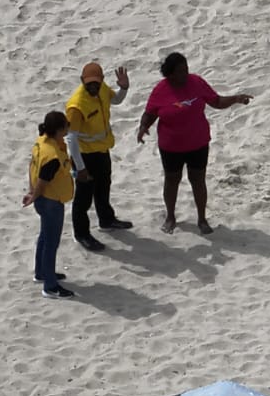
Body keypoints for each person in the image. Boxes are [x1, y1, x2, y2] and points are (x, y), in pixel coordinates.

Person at [135, 52, 252, 235]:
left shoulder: (196, 82)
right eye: (180, 71)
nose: (185, 74)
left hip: (198, 142)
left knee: (198, 180)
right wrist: (143, 127)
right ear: (170, 74)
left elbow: (216, 101)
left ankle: (202, 219)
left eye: (186, 69)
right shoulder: (161, 89)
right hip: (171, 146)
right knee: (172, 180)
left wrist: (235, 98)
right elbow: (150, 113)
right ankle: (170, 217)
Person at [67, 61, 134, 253]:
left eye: (96, 83)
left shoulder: (103, 89)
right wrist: (80, 167)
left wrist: (124, 88)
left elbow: (116, 100)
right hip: (84, 155)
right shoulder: (77, 105)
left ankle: (106, 219)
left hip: (102, 150)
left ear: (102, 80)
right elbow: (71, 139)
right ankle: (82, 234)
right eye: (89, 84)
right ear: (82, 81)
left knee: (103, 187)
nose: (93, 87)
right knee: (83, 198)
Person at [22, 110, 76, 299]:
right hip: (51, 201)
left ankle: (42, 272)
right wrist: (34, 195)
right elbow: (43, 180)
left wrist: (31, 192)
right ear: (60, 129)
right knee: (51, 243)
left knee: (45, 237)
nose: (68, 128)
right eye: (66, 125)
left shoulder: (41, 142)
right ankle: (50, 286)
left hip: (45, 200)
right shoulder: (52, 155)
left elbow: (32, 167)